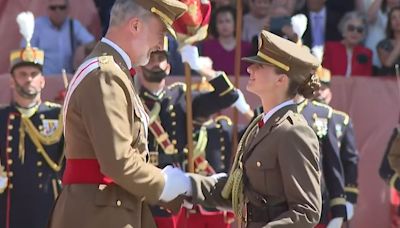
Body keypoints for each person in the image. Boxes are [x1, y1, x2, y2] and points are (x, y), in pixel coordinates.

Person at [47, 1, 192, 228]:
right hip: (99, 214)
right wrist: (169, 185)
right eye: (160, 33)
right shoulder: (107, 74)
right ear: (135, 26)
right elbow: (119, 162)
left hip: (107, 208)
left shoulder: (114, 71)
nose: (161, 44)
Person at [187, 30, 322, 227]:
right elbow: (238, 191)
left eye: (259, 66)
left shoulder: (293, 132)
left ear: (281, 80)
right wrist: (187, 185)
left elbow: (306, 211)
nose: (250, 69)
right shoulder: (261, 125)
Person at [135, 40, 250, 227]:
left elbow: (229, 96)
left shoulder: (181, 97)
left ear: (169, 66)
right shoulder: (133, 100)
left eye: (161, 58)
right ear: (140, 66)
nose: (156, 63)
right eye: (151, 58)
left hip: (176, 191)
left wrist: (200, 69)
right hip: (145, 188)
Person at [0, 11, 64, 228]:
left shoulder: (57, 115)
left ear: (42, 81)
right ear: (12, 81)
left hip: (50, 203)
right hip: (11, 205)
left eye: (33, 74)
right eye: (22, 74)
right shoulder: (2, 117)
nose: (28, 79)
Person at [314, 66, 360, 222]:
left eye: (324, 87)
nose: (319, 91)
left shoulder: (342, 121)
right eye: (316, 87)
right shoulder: (302, 117)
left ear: (330, 91)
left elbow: (349, 160)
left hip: (333, 189)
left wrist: (349, 197)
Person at [21, 0, 95, 75]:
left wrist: (83, 48)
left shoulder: (73, 25)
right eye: (53, 8)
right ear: (47, 9)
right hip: (44, 78)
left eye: (62, 7)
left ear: (68, 9)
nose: (58, 11)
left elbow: (93, 44)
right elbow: (26, 51)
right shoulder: (37, 26)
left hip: (68, 79)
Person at [202, 5, 253, 75]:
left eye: (228, 21)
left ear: (235, 24)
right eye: (220, 22)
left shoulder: (247, 47)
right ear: (215, 25)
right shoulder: (207, 46)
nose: (224, 25)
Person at [323, 11, 373, 77]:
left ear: (363, 35)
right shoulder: (330, 47)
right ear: (343, 31)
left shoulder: (366, 53)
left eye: (359, 30)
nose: (355, 32)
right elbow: (325, 75)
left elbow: (366, 79)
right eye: (351, 28)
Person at [377, 6, 400, 76]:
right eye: (393, 18)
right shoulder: (383, 44)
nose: (398, 20)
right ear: (390, 23)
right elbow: (387, 64)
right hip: (392, 83)